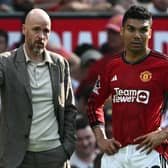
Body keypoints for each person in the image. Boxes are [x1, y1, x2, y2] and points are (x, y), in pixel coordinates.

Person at [87, 5, 168, 168]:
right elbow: (93, 104)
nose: (137, 35)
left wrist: (164, 134)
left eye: (143, 30)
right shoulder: (111, 66)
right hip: (116, 153)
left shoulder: (163, 65)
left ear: (150, 33)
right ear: (122, 31)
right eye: (131, 29)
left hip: (149, 152)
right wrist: (101, 138)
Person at [0, 8, 77, 168]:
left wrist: (67, 148)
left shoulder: (60, 64)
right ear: (23, 29)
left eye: (46, 31)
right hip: (17, 157)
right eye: (36, 29)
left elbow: (69, 108)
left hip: (54, 154)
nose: (41, 36)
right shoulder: (5, 63)